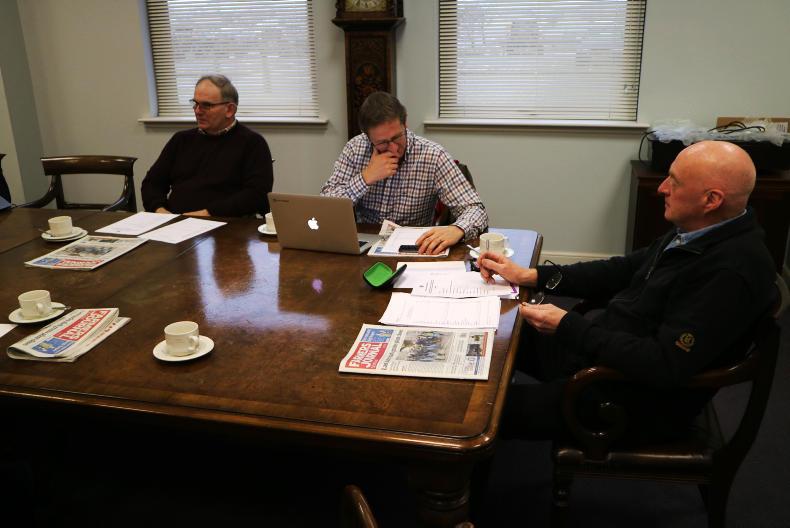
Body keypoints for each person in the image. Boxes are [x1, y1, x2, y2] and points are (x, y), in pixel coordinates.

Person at [478, 140, 776, 442]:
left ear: (711, 200)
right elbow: (619, 270)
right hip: (603, 353)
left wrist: (570, 326)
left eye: (674, 181)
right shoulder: (699, 230)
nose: (661, 188)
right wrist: (530, 275)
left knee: (482, 414)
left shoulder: (731, 273)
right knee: (494, 328)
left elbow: (664, 364)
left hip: (624, 396)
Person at [321, 91, 487, 255]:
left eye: (396, 137)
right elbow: (326, 207)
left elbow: (475, 209)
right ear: (368, 137)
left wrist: (457, 229)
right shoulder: (355, 149)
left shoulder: (433, 155)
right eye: (382, 143)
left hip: (413, 249)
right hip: (364, 248)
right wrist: (365, 179)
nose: (393, 148)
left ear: (405, 123)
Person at [142, 74, 273, 217]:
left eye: (206, 105)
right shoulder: (181, 140)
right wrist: (160, 212)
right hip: (174, 224)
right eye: (195, 103)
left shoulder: (252, 143)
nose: (197, 111)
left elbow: (256, 195)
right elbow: (152, 184)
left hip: (226, 225)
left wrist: (208, 213)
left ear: (229, 110)